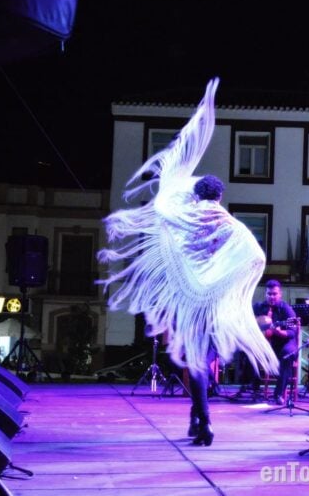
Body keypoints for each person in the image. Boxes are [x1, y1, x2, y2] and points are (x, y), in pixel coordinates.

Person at [98, 79, 277, 447]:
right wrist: (233, 287)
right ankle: (199, 419)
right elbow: (257, 255)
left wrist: (169, 185)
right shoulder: (231, 225)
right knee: (205, 360)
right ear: (221, 195)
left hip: (191, 297)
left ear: (197, 194)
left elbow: (161, 211)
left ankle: (202, 419)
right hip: (214, 301)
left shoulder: (188, 217)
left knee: (194, 362)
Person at [253, 280, 298, 405]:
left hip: (284, 342)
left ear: (280, 294)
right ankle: (255, 390)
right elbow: (249, 323)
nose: (272, 297)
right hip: (265, 343)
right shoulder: (258, 307)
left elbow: (292, 332)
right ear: (265, 294)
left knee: (287, 354)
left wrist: (278, 332)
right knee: (251, 351)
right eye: (269, 294)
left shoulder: (287, 310)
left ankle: (278, 394)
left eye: (274, 294)